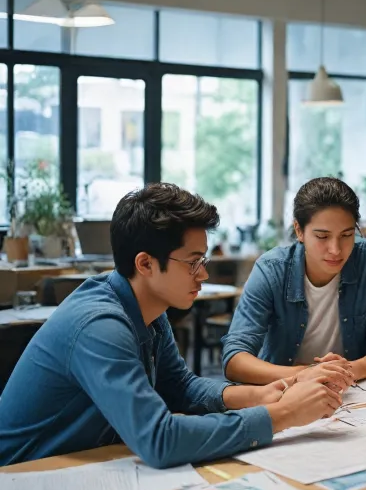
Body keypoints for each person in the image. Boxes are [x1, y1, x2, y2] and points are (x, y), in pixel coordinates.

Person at [0, 184, 341, 470]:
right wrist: (283, 413)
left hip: (86, 463)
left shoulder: (146, 307)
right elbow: (159, 439)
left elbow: (179, 387)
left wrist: (257, 395)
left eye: (203, 260)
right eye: (193, 263)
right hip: (24, 479)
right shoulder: (100, 325)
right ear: (145, 263)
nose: (203, 274)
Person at [222, 177, 366, 389]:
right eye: (322, 236)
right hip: (286, 391)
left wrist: (345, 371)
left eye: (346, 235)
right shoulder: (271, 270)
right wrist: (305, 374)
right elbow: (234, 359)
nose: (335, 250)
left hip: (353, 391)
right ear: (299, 231)